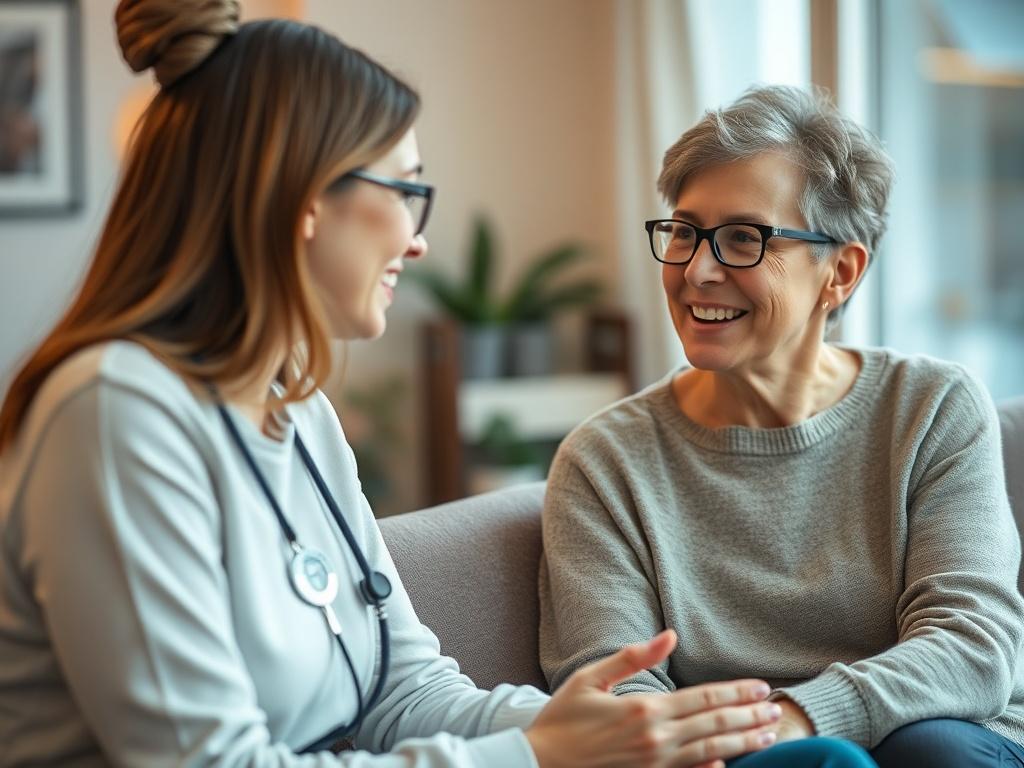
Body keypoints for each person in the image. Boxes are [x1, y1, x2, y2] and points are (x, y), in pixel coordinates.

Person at [0, 2, 798, 766]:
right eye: (408, 192)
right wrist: (536, 754)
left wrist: (602, 727)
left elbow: (401, 688)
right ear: (308, 200)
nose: (417, 243)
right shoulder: (115, 415)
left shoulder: (296, 409)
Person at [537, 84, 1024, 768]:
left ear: (841, 272)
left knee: (930, 750)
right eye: (683, 231)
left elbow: (973, 647)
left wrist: (800, 719)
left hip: (949, 737)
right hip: (741, 763)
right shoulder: (604, 462)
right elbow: (615, 697)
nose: (698, 270)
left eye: (743, 238)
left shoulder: (931, 407)